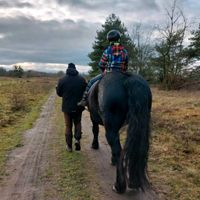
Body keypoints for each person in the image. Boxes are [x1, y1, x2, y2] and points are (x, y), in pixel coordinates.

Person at [78, 29, 128, 107]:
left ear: (109, 40)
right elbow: (126, 64)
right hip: (121, 74)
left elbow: (101, 64)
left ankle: (84, 100)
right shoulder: (124, 51)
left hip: (108, 74)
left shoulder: (107, 51)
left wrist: (104, 72)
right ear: (119, 39)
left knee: (91, 82)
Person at [56, 63, 87, 152]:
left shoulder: (62, 79)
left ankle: (69, 146)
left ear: (68, 69)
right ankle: (77, 139)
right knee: (78, 123)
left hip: (67, 107)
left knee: (68, 126)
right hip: (78, 106)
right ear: (75, 69)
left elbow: (59, 93)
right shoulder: (82, 79)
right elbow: (85, 92)